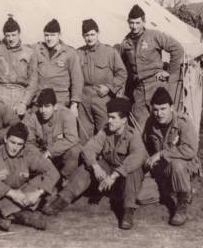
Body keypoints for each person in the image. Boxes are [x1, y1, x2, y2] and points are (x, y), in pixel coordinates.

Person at [42, 97, 147, 230]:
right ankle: (62, 200)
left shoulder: (133, 135)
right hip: (107, 172)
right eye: (109, 117)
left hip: (123, 177)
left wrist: (114, 175)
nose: (109, 121)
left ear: (124, 120)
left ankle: (128, 211)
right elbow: (89, 149)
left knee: (134, 171)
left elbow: (137, 157)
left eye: (113, 118)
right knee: (87, 167)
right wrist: (96, 167)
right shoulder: (105, 131)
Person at [0, 122, 59, 231]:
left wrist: (37, 193)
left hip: (22, 193)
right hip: (4, 195)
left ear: (24, 145)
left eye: (19, 144)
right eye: (12, 142)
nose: (15, 148)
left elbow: (53, 171)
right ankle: (22, 215)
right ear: (6, 139)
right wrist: (13, 194)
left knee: (47, 183)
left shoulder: (28, 155)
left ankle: (7, 215)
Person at [119, 4, 184, 130]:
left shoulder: (154, 36)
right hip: (138, 89)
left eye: (138, 23)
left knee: (162, 122)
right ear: (128, 23)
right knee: (140, 126)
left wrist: (170, 72)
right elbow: (123, 67)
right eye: (131, 23)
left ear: (144, 22)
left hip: (156, 85)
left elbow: (177, 48)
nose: (134, 26)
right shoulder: (125, 42)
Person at [142, 87, 200, 226]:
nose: (159, 113)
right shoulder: (151, 123)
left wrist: (162, 154)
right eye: (155, 109)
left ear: (172, 107)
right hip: (162, 169)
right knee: (141, 197)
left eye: (163, 109)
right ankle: (176, 190)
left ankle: (181, 206)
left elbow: (190, 150)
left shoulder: (183, 122)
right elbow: (145, 145)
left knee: (177, 165)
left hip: (184, 166)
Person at [77, 18, 127, 143]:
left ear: (98, 33)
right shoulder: (79, 53)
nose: (90, 38)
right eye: (86, 35)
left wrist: (109, 87)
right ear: (83, 36)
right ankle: (87, 159)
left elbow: (122, 73)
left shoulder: (110, 52)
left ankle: (105, 159)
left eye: (92, 34)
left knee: (105, 130)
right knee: (83, 133)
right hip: (84, 98)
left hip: (103, 98)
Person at [23, 88, 81, 180]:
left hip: (61, 155)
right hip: (42, 155)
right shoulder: (34, 117)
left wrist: (51, 151)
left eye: (47, 106)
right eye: (41, 106)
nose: (43, 111)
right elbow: (29, 142)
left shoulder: (66, 115)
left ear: (55, 106)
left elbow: (72, 138)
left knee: (75, 151)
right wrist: (40, 157)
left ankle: (64, 179)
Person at [0, 17, 37, 116]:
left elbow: (33, 82)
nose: (11, 39)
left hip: (20, 94)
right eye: (8, 36)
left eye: (14, 35)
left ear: (19, 34)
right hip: (0, 94)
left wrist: (24, 103)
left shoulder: (29, 52)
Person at [30, 19, 83, 117]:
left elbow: (77, 80)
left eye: (52, 35)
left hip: (59, 101)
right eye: (46, 35)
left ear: (59, 35)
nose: (49, 38)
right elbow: (32, 80)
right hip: (39, 101)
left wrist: (74, 104)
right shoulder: (38, 51)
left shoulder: (69, 53)